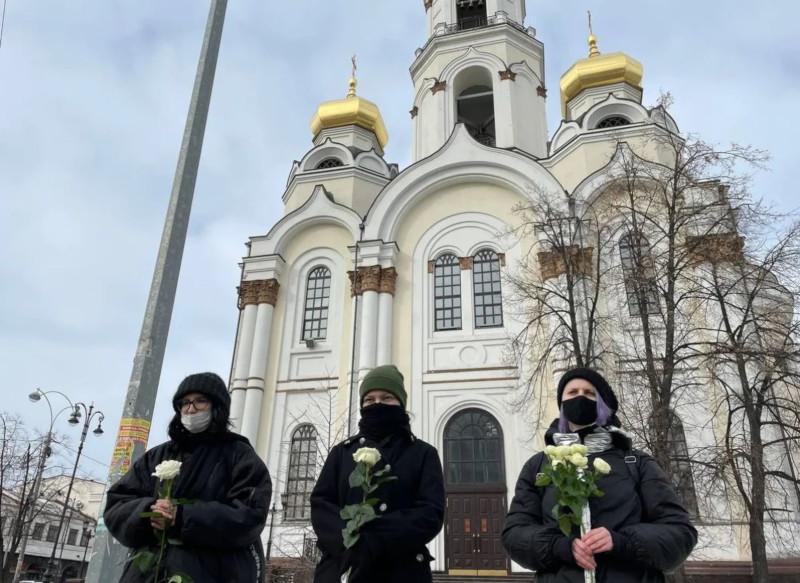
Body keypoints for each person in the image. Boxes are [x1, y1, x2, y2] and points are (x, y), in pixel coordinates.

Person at [502, 367, 697, 582]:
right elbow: (514, 534)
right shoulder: (540, 466)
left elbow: (680, 532)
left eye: (589, 393)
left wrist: (622, 542)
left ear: (603, 404)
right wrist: (559, 547)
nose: (580, 397)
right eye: (572, 392)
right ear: (562, 405)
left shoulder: (636, 462)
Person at [104, 372, 272, 583]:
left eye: (200, 401)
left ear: (217, 407)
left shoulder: (239, 455)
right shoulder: (157, 456)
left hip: (213, 573)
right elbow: (117, 503)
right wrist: (148, 512)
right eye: (185, 403)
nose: (191, 409)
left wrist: (182, 517)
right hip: (147, 573)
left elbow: (249, 513)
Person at [310, 365, 445, 583]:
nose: (378, 404)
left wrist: (377, 537)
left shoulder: (423, 454)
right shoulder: (342, 453)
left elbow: (431, 513)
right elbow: (321, 505)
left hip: (403, 571)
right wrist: (351, 541)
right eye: (369, 400)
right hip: (345, 567)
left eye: (387, 397)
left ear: (401, 403)